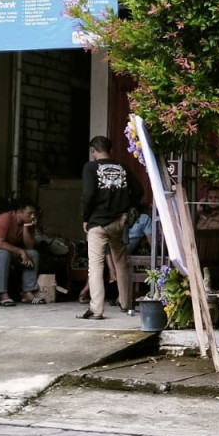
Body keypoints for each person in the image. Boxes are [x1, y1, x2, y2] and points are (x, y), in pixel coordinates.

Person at [79, 135, 142, 320]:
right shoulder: (123, 168)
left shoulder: (90, 167)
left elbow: (89, 194)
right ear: (110, 150)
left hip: (97, 223)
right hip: (119, 222)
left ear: (93, 150)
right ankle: (125, 303)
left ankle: (96, 309)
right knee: (121, 261)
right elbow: (139, 190)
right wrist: (127, 207)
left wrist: (85, 217)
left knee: (96, 266)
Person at [0, 199, 44, 306]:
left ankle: (28, 293)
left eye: (34, 214)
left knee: (33, 254)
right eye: (29, 213)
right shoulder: (5, 218)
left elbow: (30, 246)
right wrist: (21, 251)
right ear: (19, 212)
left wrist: (26, 228)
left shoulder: (27, 223)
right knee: (2, 254)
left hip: (9, 249)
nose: (33, 216)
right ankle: (3, 294)